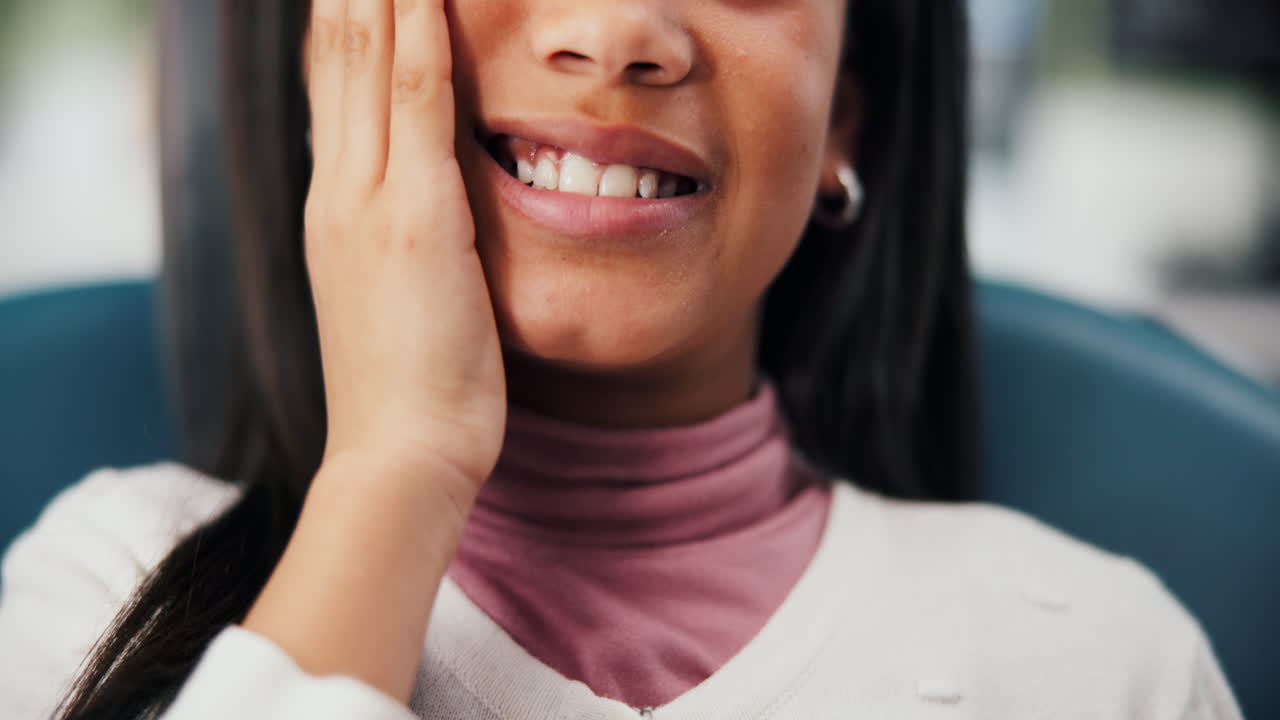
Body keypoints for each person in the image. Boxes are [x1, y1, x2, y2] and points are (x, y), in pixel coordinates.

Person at [0, 0, 1243, 718]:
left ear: (844, 116)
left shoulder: (1101, 660)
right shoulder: (100, 590)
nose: (614, 35)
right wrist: (396, 469)